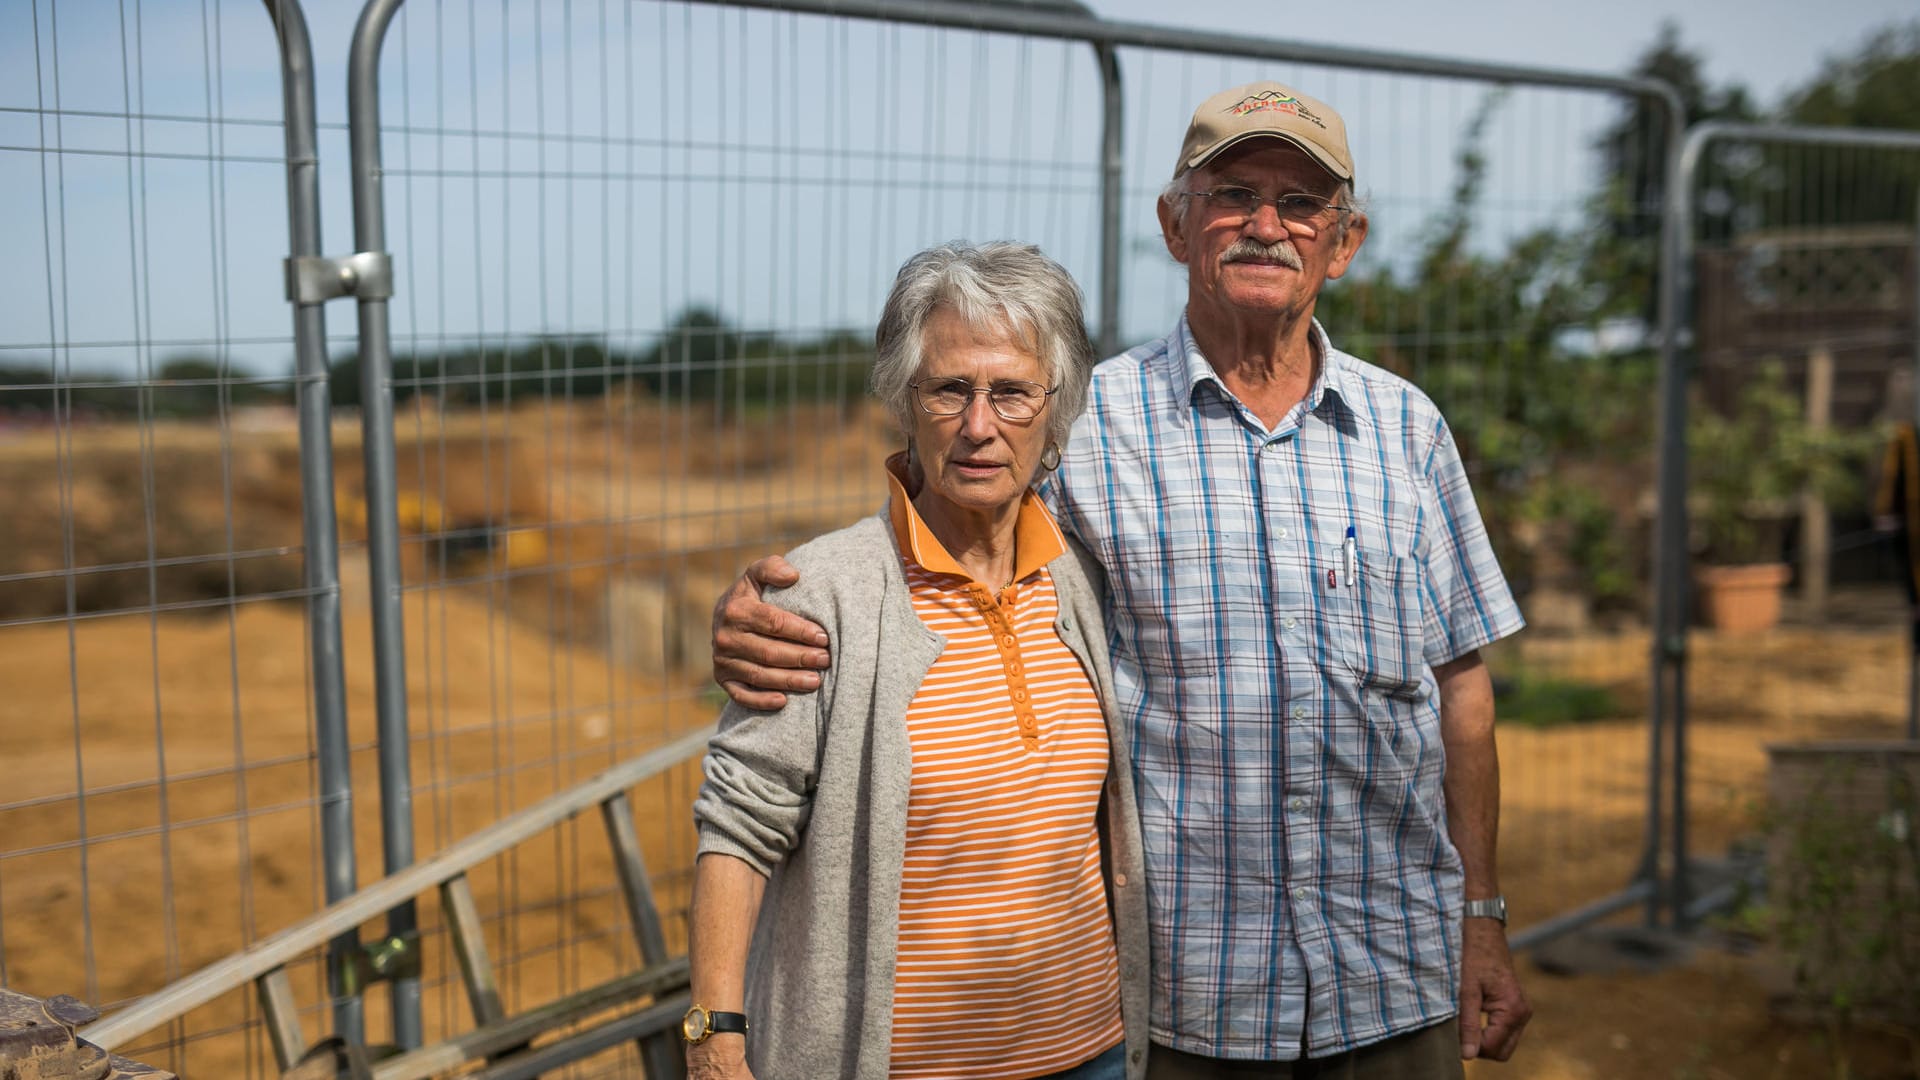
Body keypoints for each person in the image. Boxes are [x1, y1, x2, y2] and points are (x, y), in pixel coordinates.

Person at [713, 82, 1532, 1078]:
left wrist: (1481, 917)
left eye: (1301, 204)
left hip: (1396, 979)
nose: (1266, 225)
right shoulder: (1084, 430)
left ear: (1343, 240)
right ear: (1175, 224)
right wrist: (773, 603)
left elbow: (1462, 695)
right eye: (1233, 193)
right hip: (1194, 1005)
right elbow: (946, 520)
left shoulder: (1409, 431)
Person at [685, 241, 1150, 1080]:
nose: (979, 426)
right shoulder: (821, 594)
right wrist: (715, 1040)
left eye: (1011, 392)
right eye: (949, 390)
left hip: (1093, 1056)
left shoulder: (1082, 577)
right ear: (906, 402)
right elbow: (739, 822)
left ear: (1057, 409)